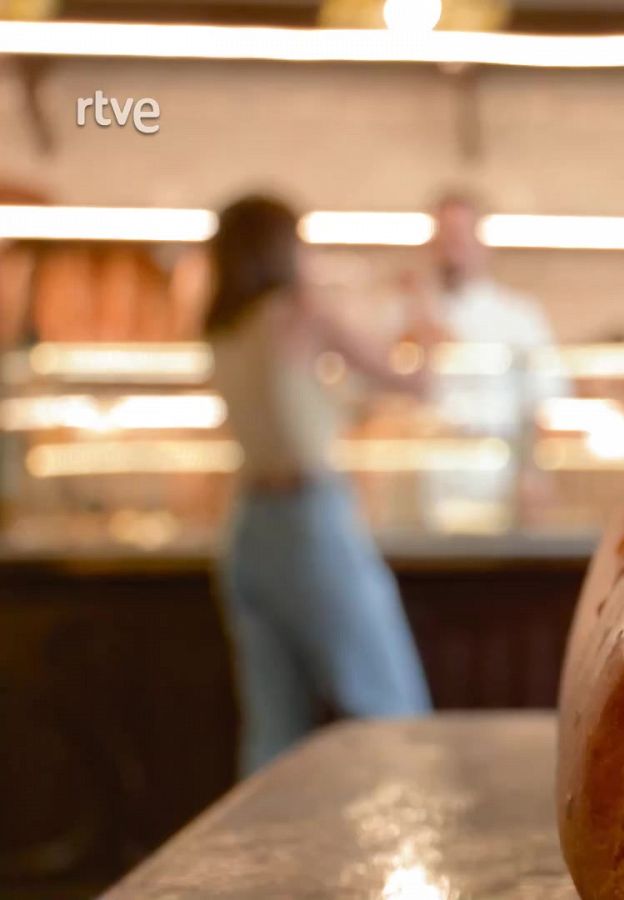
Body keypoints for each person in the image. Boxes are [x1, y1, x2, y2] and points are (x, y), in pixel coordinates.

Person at [206, 194, 432, 774]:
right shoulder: (299, 311)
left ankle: (262, 837)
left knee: (272, 731)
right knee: (390, 706)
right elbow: (411, 381)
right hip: (308, 523)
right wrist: (419, 308)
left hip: (245, 528)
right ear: (282, 248)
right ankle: (412, 828)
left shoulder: (221, 327)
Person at [410, 191, 569, 531]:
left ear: (482, 242)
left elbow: (542, 402)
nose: (451, 247)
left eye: (459, 235)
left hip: (498, 479)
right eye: (444, 236)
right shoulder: (404, 315)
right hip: (427, 481)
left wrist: (534, 474)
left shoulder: (519, 316)